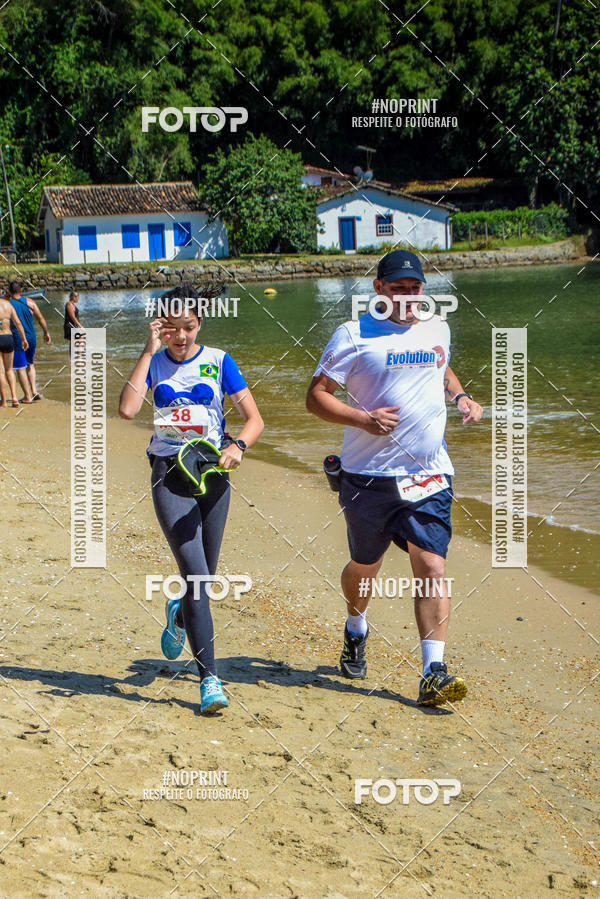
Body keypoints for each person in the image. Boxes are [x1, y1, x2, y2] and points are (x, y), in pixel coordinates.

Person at [306, 249, 483, 707]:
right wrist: (362, 419)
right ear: (379, 289)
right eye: (398, 288)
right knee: (366, 566)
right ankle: (356, 626)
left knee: (432, 567)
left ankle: (433, 671)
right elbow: (316, 397)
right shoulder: (353, 334)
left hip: (429, 473)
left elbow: (440, 366)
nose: (408, 296)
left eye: (415, 288)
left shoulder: (437, 327)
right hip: (368, 475)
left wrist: (461, 396)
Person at [119, 284, 264, 714]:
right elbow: (127, 409)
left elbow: (254, 419)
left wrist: (238, 445)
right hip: (169, 476)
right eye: (172, 328)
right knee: (198, 580)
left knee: (203, 579)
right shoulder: (154, 362)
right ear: (159, 327)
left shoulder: (219, 361)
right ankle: (209, 680)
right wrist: (148, 350)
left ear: (199, 323)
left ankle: (179, 615)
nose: (180, 336)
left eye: (189, 326)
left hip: (212, 476)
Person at [9, 280, 51, 402]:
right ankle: (34, 391)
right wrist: (46, 332)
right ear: (21, 290)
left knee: (20, 367)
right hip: (32, 337)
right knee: (30, 364)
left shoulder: (8, 304)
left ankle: (27, 396)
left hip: (18, 339)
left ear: (10, 292)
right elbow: (41, 318)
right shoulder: (30, 302)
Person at [0, 290, 29, 408]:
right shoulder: (8, 305)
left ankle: (4, 402)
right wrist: (24, 339)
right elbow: (18, 323)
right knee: (9, 370)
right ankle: (14, 397)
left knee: (0, 372)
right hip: (8, 338)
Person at [64, 290, 83, 356]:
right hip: (70, 326)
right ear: (73, 297)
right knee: (80, 340)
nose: (78, 299)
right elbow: (72, 317)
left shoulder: (72, 304)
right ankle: (79, 357)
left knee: (74, 341)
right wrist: (80, 326)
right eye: (77, 297)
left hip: (73, 326)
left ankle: (73, 358)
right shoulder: (69, 304)